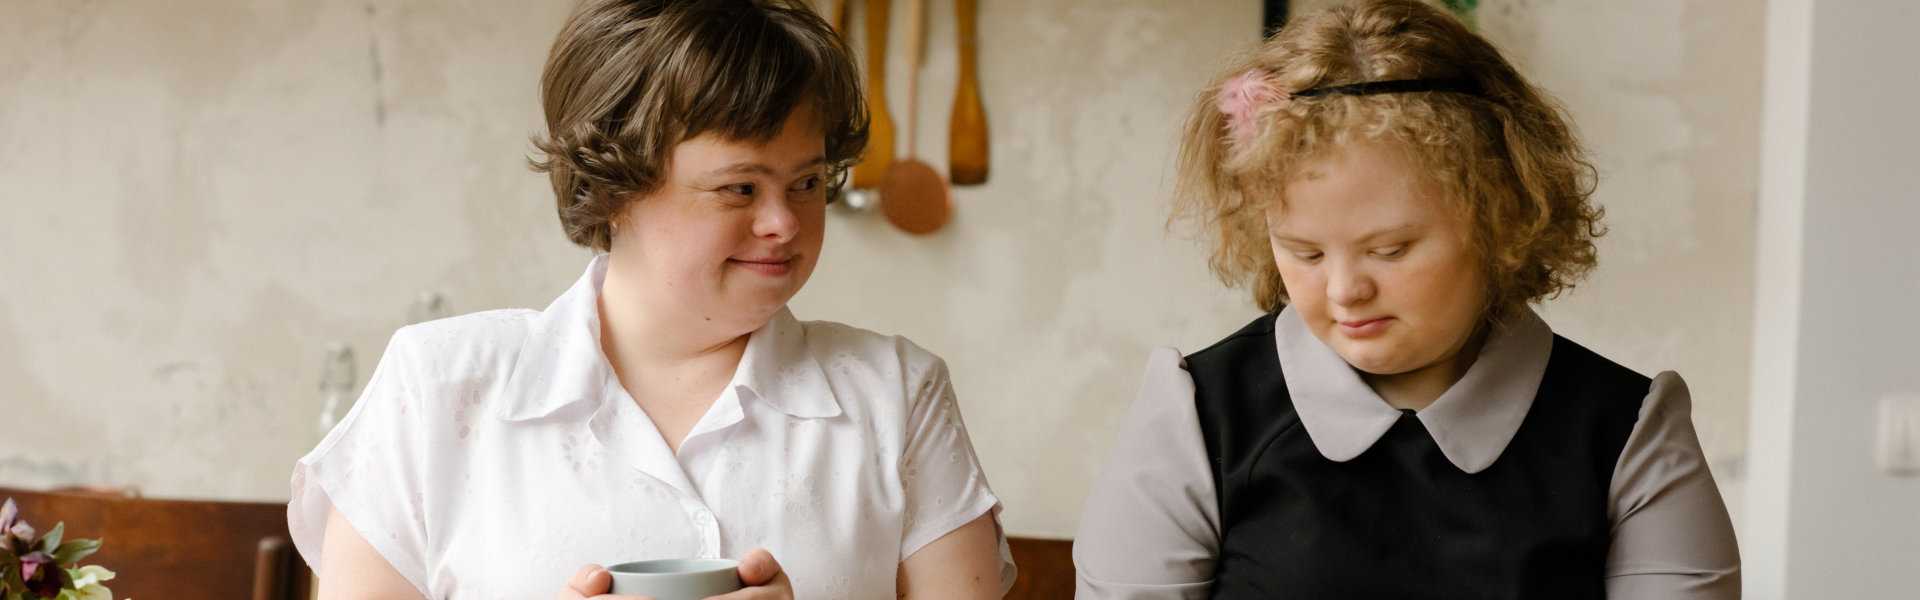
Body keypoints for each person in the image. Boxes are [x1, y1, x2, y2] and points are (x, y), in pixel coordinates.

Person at [287, 1, 1015, 598]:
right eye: (740, 187)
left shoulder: (897, 393)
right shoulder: (437, 387)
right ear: (616, 186)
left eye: (807, 183)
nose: (785, 223)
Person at [1072, 0, 1739, 597]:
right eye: (1304, 251)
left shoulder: (1628, 430)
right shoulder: (1197, 413)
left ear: (1502, 218)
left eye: (1390, 249)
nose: (1343, 290)